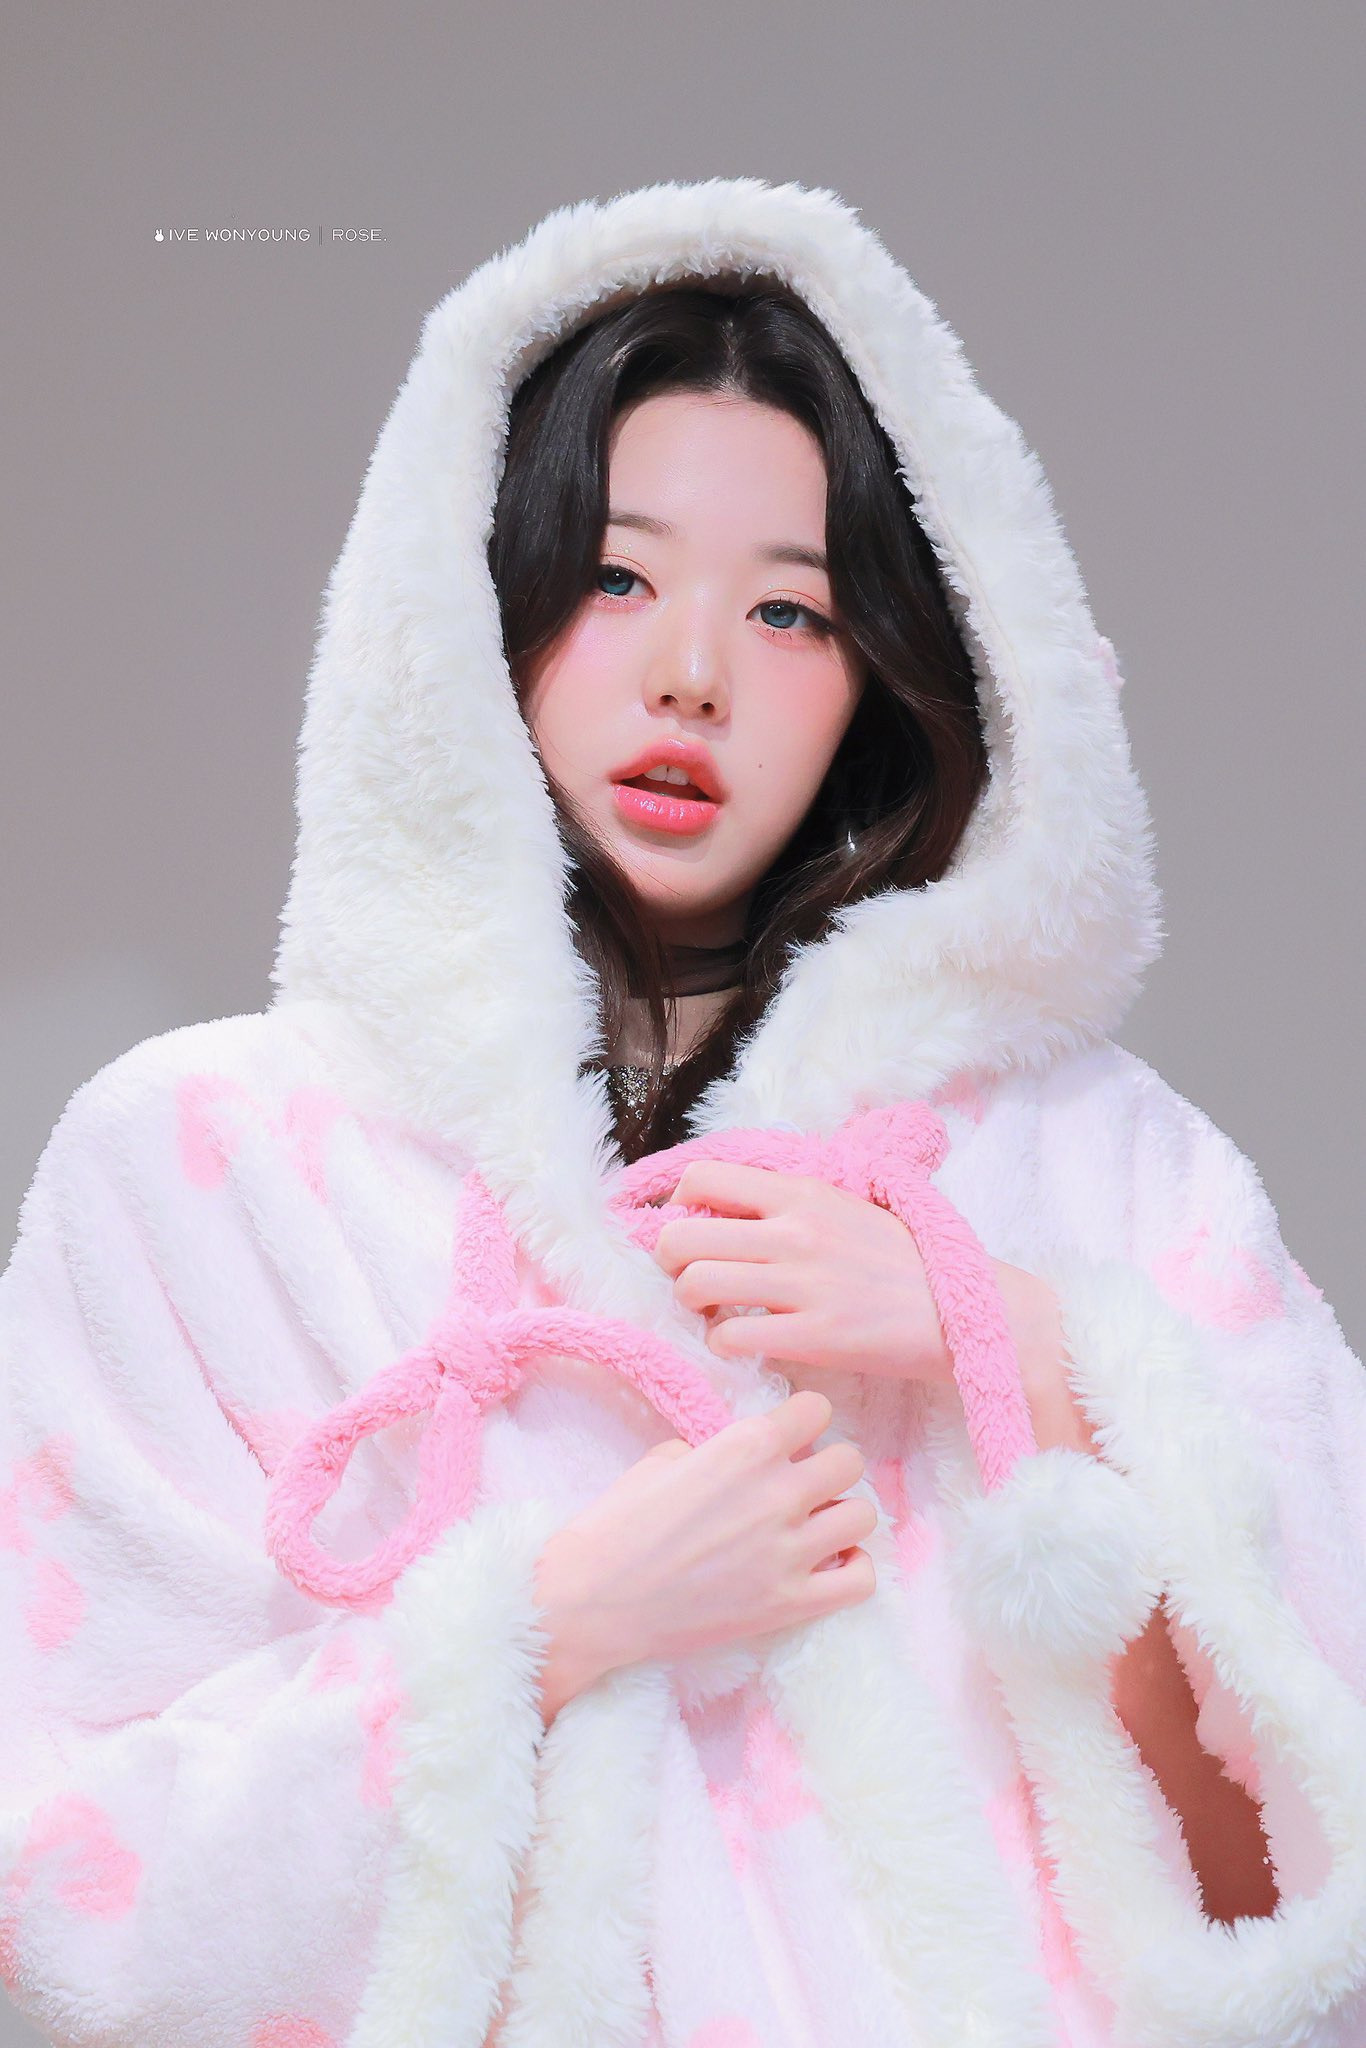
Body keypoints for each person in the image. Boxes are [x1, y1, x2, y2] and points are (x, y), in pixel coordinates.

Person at [1, 179, 1363, 2048]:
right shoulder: (208, 1163)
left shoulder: (1091, 1158)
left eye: (791, 611)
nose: (691, 674)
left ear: (893, 671)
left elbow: (1298, 1836)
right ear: (464, 605)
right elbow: (65, 1884)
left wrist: (1021, 1349)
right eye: (616, 576)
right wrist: (546, 1627)